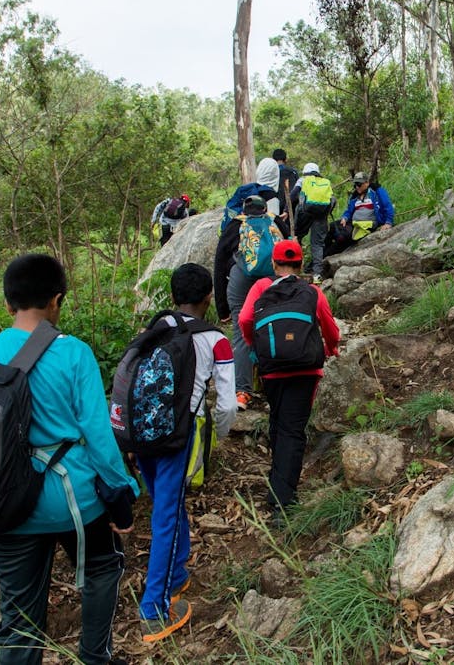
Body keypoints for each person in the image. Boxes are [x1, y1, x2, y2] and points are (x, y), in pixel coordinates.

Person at [0, 253, 139, 665]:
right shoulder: (73, 352)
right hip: (74, 500)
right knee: (103, 569)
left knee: (17, 610)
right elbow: (98, 433)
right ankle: (95, 657)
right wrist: (122, 493)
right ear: (57, 300)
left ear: (7, 303)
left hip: (6, 501)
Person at [136, 263, 237, 642]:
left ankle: (176, 574)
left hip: (139, 434)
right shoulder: (216, 339)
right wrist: (220, 435)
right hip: (176, 437)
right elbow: (227, 405)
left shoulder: (153, 329)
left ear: (174, 296)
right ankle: (154, 610)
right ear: (208, 298)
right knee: (164, 515)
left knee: (167, 503)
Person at [238, 240, 340, 519]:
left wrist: (255, 346)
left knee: (279, 420)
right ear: (300, 264)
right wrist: (332, 348)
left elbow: (246, 319)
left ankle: (278, 478)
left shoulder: (261, 287)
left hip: (272, 368)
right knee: (293, 429)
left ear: (274, 263)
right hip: (306, 370)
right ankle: (283, 500)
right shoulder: (312, 292)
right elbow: (330, 328)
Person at [214, 195, 283, 411]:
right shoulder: (275, 222)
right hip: (272, 280)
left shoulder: (235, 226)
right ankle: (275, 385)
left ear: (244, 209)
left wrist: (221, 307)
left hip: (240, 281)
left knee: (240, 333)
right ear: (264, 208)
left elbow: (219, 264)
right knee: (273, 327)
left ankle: (242, 392)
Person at [289, 162, 336, 282]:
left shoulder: (303, 179)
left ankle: (295, 269)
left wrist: (286, 210)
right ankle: (317, 275)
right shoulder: (325, 182)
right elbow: (332, 200)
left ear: (305, 172)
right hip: (321, 215)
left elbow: (293, 196)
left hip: (305, 213)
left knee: (296, 238)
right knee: (317, 244)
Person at [338, 171, 394, 244]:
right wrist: (345, 217)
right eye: (355, 184)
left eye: (359, 184)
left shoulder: (376, 191)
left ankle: (327, 253)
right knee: (333, 227)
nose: (357, 187)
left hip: (367, 225)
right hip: (354, 223)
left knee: (342, 236)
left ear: (367, 183)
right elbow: (349, 210)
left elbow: (387, 205)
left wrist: (388, 222)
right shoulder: (355, 196)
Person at [273, 148, 300, 216]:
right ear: (285, 159)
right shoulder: (293, 172)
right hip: (292, 205)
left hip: (276, 206)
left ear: (273, 159)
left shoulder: (271, 173)